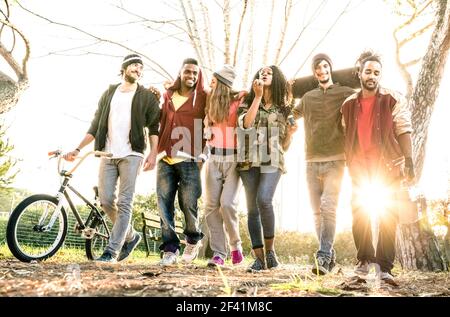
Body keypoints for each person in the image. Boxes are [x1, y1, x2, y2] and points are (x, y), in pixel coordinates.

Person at [64, 53, 161, 263]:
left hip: (132, 155)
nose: (138, 69)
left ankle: (111, 251)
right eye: (135, 65)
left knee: (125, 203)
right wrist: (78, 149)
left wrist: (153, 153)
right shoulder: (109, 93)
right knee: (106, 200)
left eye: (141, 67)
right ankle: (130, 236)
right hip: (107, 154)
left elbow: (154, 127)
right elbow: (95, 124)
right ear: (124, 68)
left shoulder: (146, 96)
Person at [341, 51, 414, 285]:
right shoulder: (348, 104)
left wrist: (409, 160)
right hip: (359, 167)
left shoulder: (392, 98)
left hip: (388, 165)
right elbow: (346, 132)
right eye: (368, 71)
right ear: (359, 73)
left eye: (376, 72)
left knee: (388, 215)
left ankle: (384, 268)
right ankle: (363, 262)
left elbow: (403, 128)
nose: (372, 76)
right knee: (360, 213)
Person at [292, 53, 355, 275]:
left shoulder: (345, 93)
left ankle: (323, 255)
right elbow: (291, 115)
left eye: (325, 66)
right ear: (314, 72)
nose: (321, 70)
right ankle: (328, 255)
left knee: (329, 207)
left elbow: (362, 98)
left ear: (330, 68)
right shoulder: (307, 97)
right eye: (317, 67)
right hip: (311, 161)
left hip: (336, 160)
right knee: (317, 212)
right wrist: (288, 94)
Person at [237, 65, 297, 272]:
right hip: (248, 160)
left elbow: (285, 146)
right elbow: (246, 124)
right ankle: (259, 258)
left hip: (273, 159)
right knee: (252, 209)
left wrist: (290, 134)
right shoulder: (246, 101)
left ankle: (270, 252)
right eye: (261, 71)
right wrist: (257, 97)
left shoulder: (285, 108)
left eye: (269, 72)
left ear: (277, 78)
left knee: (264, 199)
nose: (264, 73)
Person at [157, 57, 207, 266]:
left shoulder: (204, 97)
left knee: (188, 203)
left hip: (190, 157)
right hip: (165, 156)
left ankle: (193, 239)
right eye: (188, 71)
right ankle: (170, 249)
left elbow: (215, 117)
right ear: (180, 72)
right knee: (164, 203)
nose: (191, 76)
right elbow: (159, 119)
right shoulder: (168, 95)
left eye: (195, 73)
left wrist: (204, 154)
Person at [203, 65, 246, 267]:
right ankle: (219, 253)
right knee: (211, 207)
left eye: (214, 79)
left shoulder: (239, 101)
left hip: (234, 159)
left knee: (227, 204)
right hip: (213, 159)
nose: (210, 83)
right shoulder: (211, 103)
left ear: (222, 83)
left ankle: (236, 245)